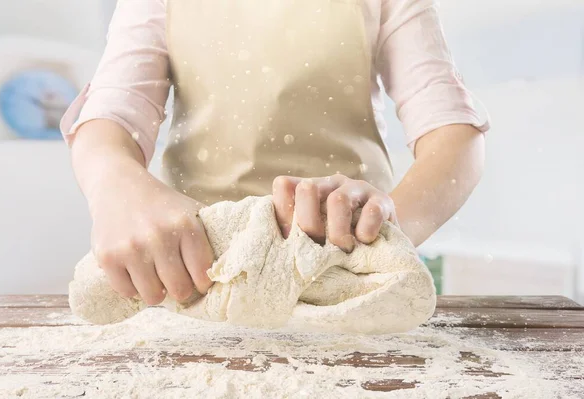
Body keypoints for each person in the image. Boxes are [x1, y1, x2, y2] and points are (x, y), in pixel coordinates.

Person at [60, 0, 489, 307]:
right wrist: (116, 183)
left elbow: (453, 132)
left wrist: (389, 227)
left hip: (348, 268)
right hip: (197, 273)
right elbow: (110, 117)